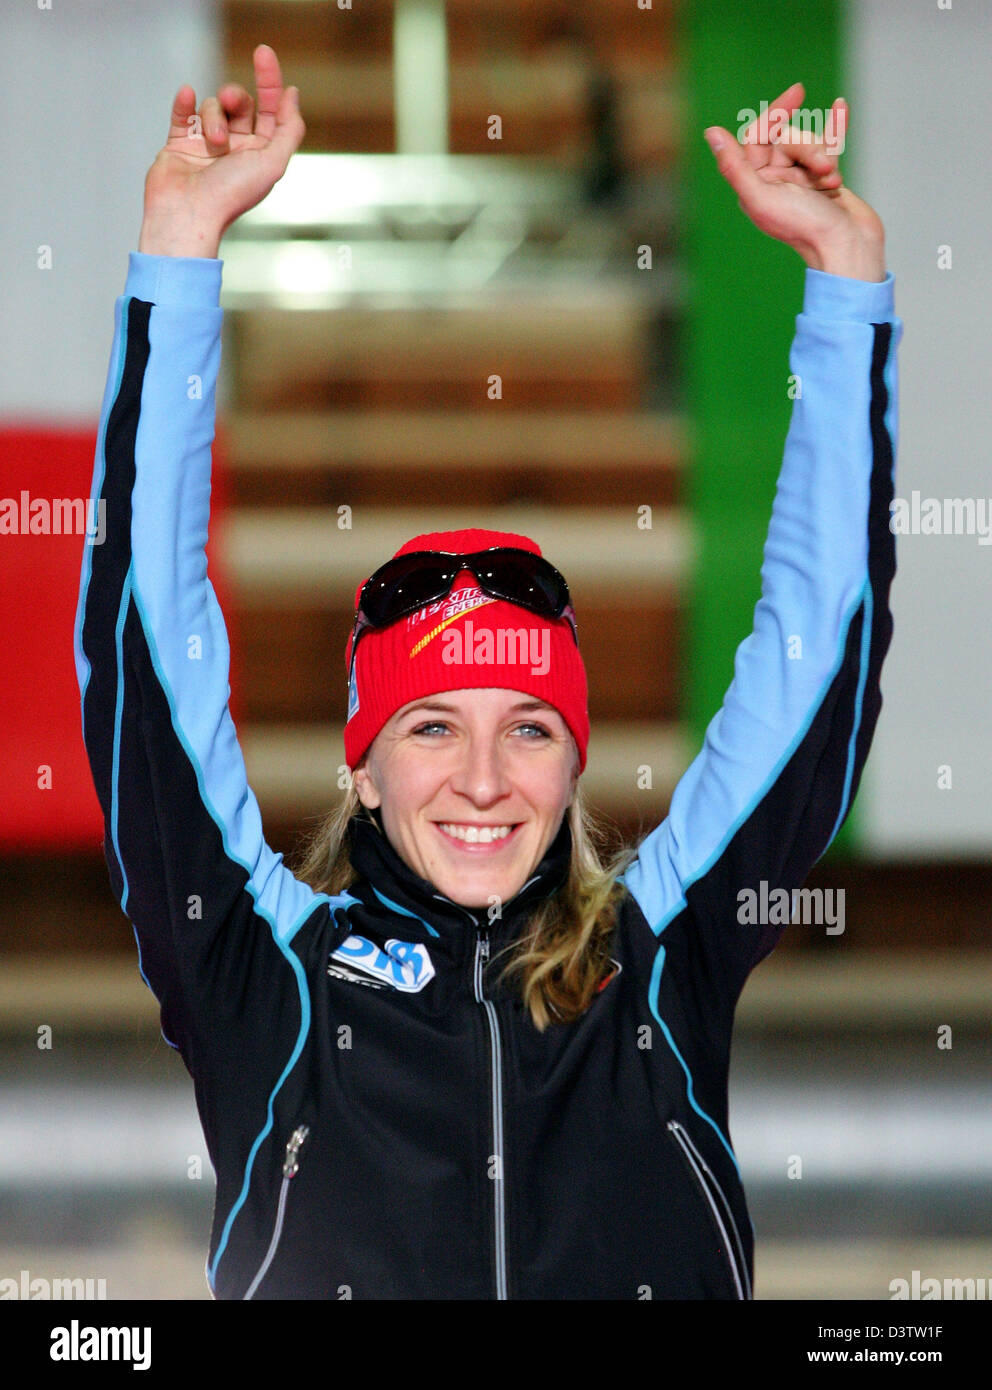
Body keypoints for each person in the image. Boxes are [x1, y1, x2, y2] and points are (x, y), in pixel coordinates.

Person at [74, 45, 901, 1300]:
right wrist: (179, 250)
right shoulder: (260, 973)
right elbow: (145, 643)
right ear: (359, 767)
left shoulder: (654, 958)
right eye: (426, 726)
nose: (480, 779)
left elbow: (816, 655)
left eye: (526, 727)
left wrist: (843, 289)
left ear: (574, 761)